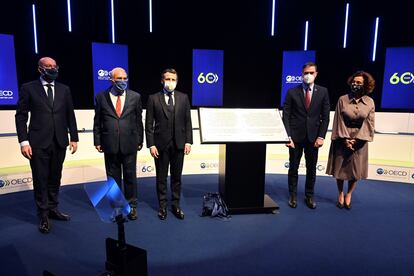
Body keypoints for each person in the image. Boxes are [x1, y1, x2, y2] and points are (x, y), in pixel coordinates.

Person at [15, 57, 78, 234]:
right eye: (48, 66)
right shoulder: (28, 88)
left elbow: (69, 115)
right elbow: (21, 116)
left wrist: (74, 137)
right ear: (40, 69)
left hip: (59, 141)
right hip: (37, 142)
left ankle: (53, 208)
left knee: (55, 177)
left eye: (54, 66)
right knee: (41, 178)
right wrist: (24, 141)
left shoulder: (64, 89)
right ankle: (42, 214)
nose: (52, 69)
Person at [93, 67, 144, 220]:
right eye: (119, 79)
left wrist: (140, 140)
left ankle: (132, 205)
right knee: (112, 177)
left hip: (130, 143)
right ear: (111, 80)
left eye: (124, 78)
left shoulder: (135, 97)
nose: (122, 81)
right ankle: (116, 207)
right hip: (109, 143)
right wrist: (97, 140)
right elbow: (97, 121)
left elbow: (138, 121)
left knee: (130, 176)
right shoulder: (101, 97)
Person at [145, 68, 193, 220]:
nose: (170, 82)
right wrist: (151, 144)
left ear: (177, 81)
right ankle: (163, 207)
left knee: (177, 177)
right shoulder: (153, 98)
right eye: (168, 79)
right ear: (162, 80)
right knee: (161, 178)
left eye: (173, 79)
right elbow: (148, 124)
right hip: (160, 146)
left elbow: (187, 121)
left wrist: (188, 141)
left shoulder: (184, 98)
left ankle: (176, 205)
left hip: (179, 144)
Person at [282, 62, 330, 209]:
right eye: (305, 73)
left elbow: (325, 117)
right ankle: (293, 195)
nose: (308, 75)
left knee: (311, 168)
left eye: (311, 73)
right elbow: (286, 116)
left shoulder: (323, 92)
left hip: (314, 139)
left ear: (316, 74)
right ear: (301, 74)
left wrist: (321, 137)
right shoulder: (292, 92)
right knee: (293, 168)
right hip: (295, 139)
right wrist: (288, 136)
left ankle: (309, 195)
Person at [326, 71, 375, 210]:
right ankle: (340, 194)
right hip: (342, 138)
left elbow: (369, 123)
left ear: (365, 85)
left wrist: (357, 140)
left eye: (359, 83)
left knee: (355, 171)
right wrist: (345, 139)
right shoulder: (342, 99)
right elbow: (338, 121)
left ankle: (349, 194)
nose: (355, 84)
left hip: (360, 141)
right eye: (354, 82)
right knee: (340, 169)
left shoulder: (370, 102)